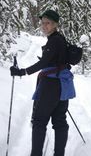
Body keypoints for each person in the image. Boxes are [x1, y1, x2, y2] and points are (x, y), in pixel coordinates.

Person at [10, 9, 76, 156]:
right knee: (59, 121)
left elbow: (44, 62)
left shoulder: (55, 40)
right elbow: (54, 60)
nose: (44, 26)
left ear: (55, 25)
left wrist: (21, 72)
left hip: (51, 86)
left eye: (48, 23)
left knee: (39, 122)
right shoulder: (59, 39)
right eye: (42, 23)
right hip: (63, 85)